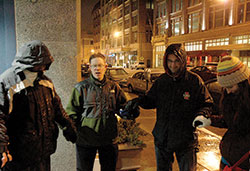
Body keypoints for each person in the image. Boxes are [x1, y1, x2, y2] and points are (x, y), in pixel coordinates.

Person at [123, 44, 213, 171]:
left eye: (176, 61)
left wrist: (202, 115)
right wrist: (138, 101)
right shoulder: (162, 81)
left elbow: (206, 103)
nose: (173, 65)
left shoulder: (194, 81)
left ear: (183, 61)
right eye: (170, 61)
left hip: (185, 140)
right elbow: (151, 100)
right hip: (162, 138)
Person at [0, 40, 77, 171]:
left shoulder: (45, 82)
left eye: (44, 64)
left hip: (43, 152)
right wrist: (2, 147)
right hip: (19, 156)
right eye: (39, 64)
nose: (42, 67)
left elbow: (57, 109)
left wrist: (69, 126)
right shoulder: (8, 82)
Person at [66, 53, 128, 171]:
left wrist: (129, 111)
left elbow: (123, 107)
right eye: (94, 66)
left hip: (108, 140)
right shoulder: (81, 88)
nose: (97, 68)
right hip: (86, 140)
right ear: (90, 68)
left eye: (100, 65)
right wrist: (70, 130)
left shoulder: (114, 87)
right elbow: (71, 112)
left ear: (105, 66)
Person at [210, 56, 250, 171]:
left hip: (243, 163)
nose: (228, 91)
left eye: (230, 87)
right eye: (225, 88)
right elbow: (230, 122)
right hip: (227, 161)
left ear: (242, 82)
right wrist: (210, 120)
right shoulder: (231, 96)